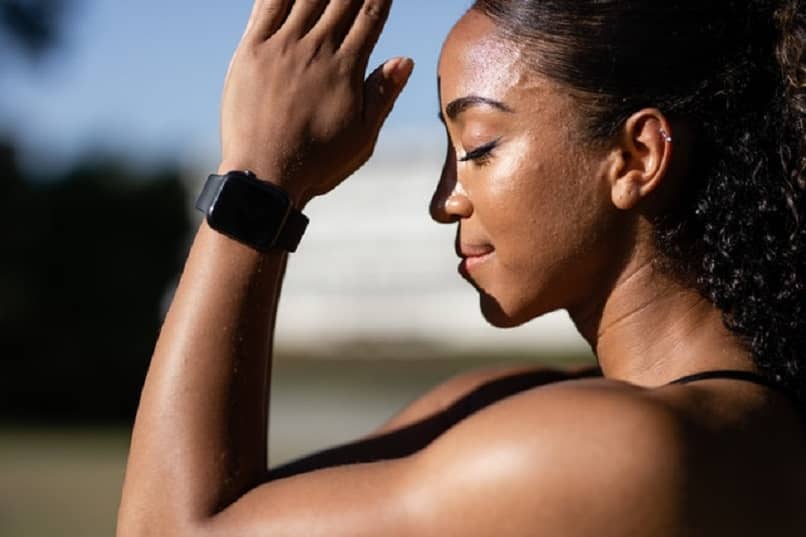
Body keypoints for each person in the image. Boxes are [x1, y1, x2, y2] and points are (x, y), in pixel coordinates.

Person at [117, 0, 806, 535]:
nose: (445, 199)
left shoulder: (618, 447)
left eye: (477, 146)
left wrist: (259, 179)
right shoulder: (749, 421)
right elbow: (231, 507)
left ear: (636, 158)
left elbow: (170, 527)